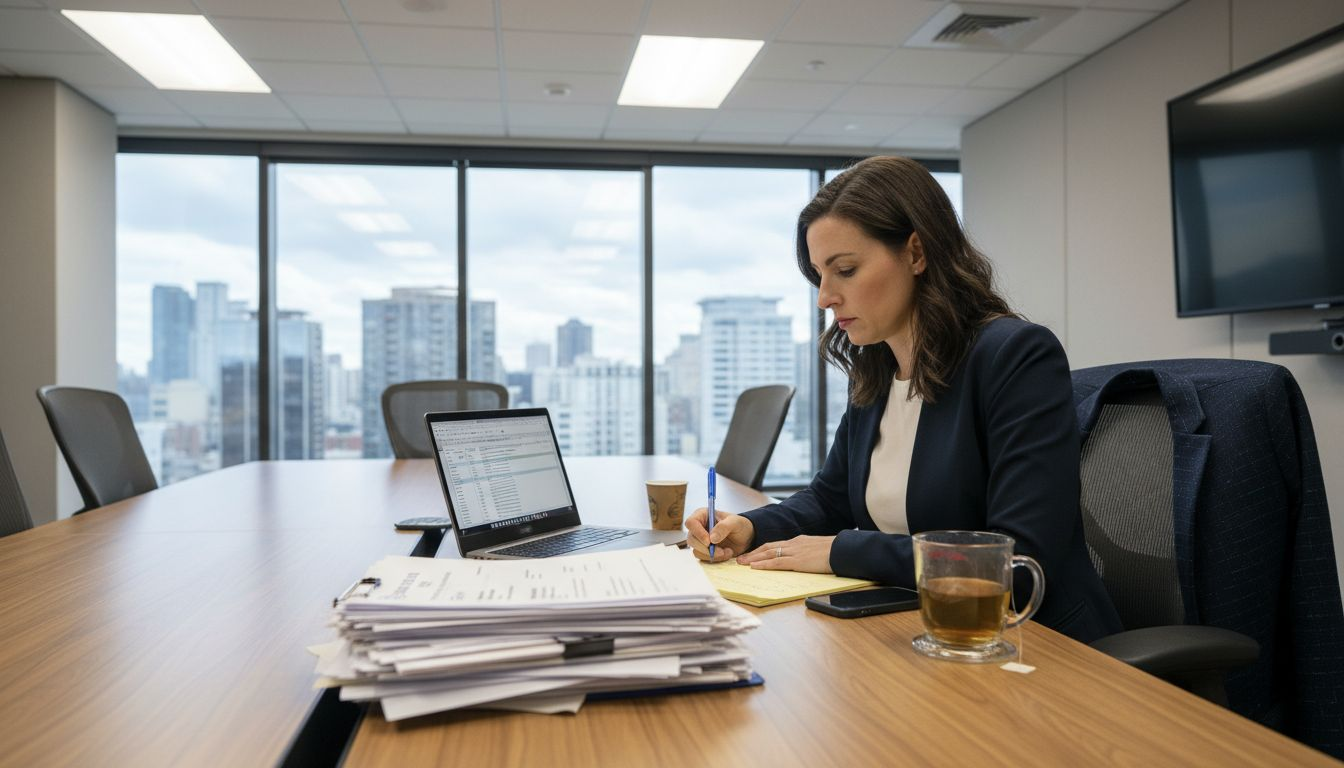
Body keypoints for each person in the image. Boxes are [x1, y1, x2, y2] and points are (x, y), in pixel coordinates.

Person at [686, 156, 1122, 643]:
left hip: (1034, 644)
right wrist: (748, 527)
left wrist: (842, 551)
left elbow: (1014, 564)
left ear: (916, 253)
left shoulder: (1015, 357)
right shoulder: (876, 371)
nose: (824, 298)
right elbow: (829, 499)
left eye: (845, 270)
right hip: (924, 630)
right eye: (819, 276)